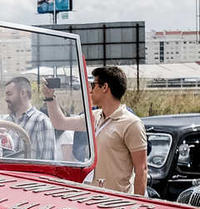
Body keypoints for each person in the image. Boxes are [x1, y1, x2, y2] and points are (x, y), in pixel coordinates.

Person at [44, 65, 147, 194]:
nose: (90, 91)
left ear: (105, 87)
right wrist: (50, 98)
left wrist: (137, 205)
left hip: (118, 202)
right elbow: (60, 123)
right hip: (92, 196)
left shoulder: (132, 124)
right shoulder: (94, 116)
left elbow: (141, 169)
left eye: (93, 85)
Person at [1, 76, 56, 160]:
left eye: (9, 94)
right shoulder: (6, 121)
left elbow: (48, 161)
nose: (6, 99)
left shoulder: (41, 121)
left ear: (23, 93)